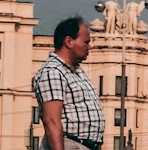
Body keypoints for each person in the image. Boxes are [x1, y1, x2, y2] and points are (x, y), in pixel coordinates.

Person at [33, 17, 105, 150]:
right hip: (69, 144)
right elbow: (52, 121)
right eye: (86, 42)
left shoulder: (76, 70)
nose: (89, 46)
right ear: (69, 42)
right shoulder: (53, 72)